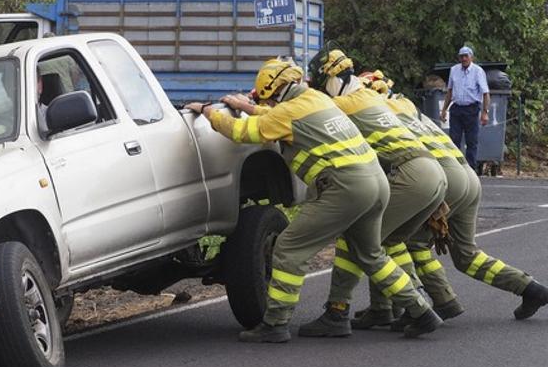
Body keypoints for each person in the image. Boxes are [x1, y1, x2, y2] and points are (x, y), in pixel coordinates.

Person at [184, 58, 440, 343]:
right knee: (371, 254)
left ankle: (275, 323)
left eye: (266, 99)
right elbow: (279, 116)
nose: (266, 104)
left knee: (289, 247)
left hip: (345, 187)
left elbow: (244, 132)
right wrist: (248, 107)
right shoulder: (315, 98)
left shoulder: (288, 112)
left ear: (276, 91)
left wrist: (209, 112)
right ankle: (421, 311)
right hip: (377, 182)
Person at [363, 74, 548, 324]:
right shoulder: (410, 110)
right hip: (467, 176)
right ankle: (531, 289)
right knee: (466, 255)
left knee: (401, 240)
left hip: (444, 179)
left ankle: (426, 304)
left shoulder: (378, 116)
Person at [297, 53, 447, 338]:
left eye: (321, 83)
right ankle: (393, 308)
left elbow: (308, 110)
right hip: (430, 172)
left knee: (359, 242)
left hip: (410, 174)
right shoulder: (369, 97)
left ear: (332, 79)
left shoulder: (344, 103)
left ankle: (339, 311)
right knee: (388, 241)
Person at [440, 46, 490, 169]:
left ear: (471, 57)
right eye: (461, 56)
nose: (463, 59)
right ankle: (456, 168)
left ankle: (471, 169)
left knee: (471, 141)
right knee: (454, 140)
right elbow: (450, 92)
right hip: (457, 108)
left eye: (466, 56)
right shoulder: (454, 70)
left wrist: (485, 112)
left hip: (471, 109)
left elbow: (485, 93)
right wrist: (444, 110)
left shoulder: (478, 71)